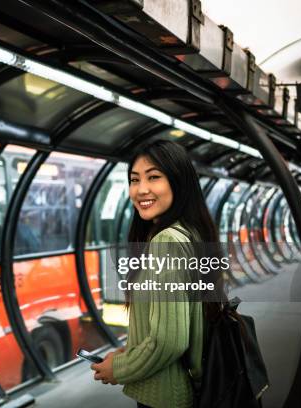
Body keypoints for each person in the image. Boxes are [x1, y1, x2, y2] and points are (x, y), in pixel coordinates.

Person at [91, 140, 222, 408]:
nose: (141, 189)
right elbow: (172, 324)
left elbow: (169, 342)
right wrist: (128, 352)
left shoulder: (167, 242)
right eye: (134, 179)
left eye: (154, 177)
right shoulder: (190, 232)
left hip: (167, 396)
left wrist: (120, 369)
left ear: (178, 182)